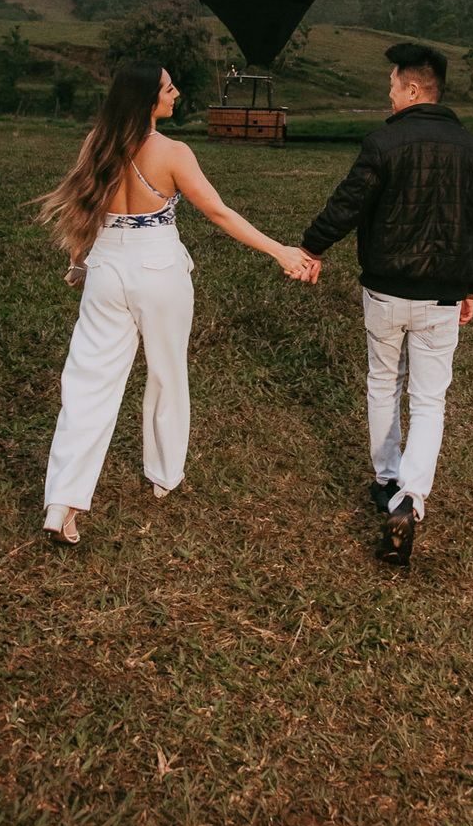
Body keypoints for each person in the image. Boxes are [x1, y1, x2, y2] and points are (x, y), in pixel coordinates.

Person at [35, 60, 313, 545]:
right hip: (158, 270)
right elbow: (218, 212)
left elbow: (85, 207)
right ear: (147, 100)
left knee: (87, 384)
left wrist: (80, 263)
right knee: (166, 374)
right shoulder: (172, 152)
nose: (176, 92)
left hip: (104, 269)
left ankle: (62, 502)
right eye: (167, 88)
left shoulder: (96, 143)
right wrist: (279, 250)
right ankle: (164, 475)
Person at [297, 42, 473, 566]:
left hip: (385, 291)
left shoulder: (383, 143)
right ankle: (410, 497)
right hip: (444, 296)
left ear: (412, 89)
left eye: (391, 87)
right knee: (430, 398)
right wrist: (472, 286)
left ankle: (387, 480)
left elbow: (347, 203)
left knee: (383, 382)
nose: (387, 96)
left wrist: (311, 248)